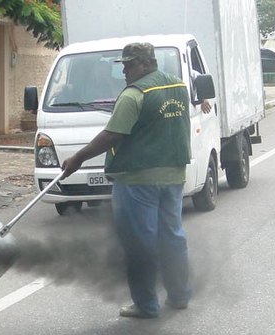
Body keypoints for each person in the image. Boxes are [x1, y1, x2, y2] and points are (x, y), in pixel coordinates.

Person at [61, 42, 192, 319]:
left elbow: (112, 135)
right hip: (173, 176)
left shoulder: (134, 95)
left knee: (139, 242)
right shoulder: (178, 87)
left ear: (146, 63)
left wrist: (77, 159)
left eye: (130, 65)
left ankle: (146, 304)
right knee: (172, 236)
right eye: (124, 65)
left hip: (138, 179)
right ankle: (179, 295)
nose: (125, 71)